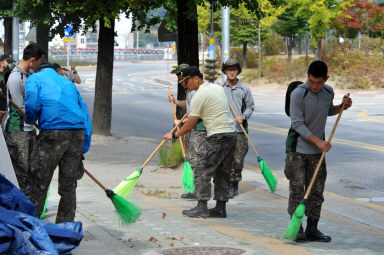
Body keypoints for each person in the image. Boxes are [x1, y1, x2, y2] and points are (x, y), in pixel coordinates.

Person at [284, 60, 352, 242]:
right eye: (312, 81)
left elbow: (327, 110)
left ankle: (312, 228)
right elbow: (297, 123)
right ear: (307, 76)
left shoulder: (328, 92)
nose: (315, 86)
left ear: (326, 79)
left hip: (317, 151)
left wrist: (342, 107)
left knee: (316, 190)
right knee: (298, 189)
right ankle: (296, 227)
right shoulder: (298, 93)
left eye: (319, 83)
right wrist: (318, 142)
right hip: (297, 149)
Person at [164, 66, 236, 218]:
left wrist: (175, 135)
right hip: (231, 134)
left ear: (196, 78)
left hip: (218, 136)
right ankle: (220, 208)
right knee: (222, 172)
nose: (184, 85)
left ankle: (202, 206)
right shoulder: (216, 88)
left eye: (186, 81)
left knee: (201, 167)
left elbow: (190, 123)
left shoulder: (199, 95)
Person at [24, 62, 91, 224]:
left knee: (38, 181)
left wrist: (30, 118)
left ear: (39, 69)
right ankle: (65, 228)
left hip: (53, 133)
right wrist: (83, 148)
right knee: (68, 185)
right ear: (56, 71)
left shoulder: (36, 78)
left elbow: (32, 105)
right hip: (77, 133)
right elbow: (85, 116)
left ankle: (31, 226)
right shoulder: (68, 83)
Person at [3, 43, 45, 193]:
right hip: (16, 131)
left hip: (28, 130)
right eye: (40, 61)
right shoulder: (15, 78)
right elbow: (22, 110)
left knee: (31, 170)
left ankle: (28, 205)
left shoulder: (29, 76)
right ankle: (21, 210)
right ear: (33, 60)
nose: (39, 65)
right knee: (21, 172)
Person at [169, 63, 208, 200]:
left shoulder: (197, 90)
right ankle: (197, 190)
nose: (180, 79)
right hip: (195, 128)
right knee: (194, 159)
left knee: (197, 160)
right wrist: (176, 102)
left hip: (201, 129)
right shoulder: (190, 91)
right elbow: (188, 105)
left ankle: (200, 192)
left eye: (181, 76)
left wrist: (181, 122)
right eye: (179, 76)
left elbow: (197, 114)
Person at [221, 59, 255, 198]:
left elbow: (251, 107)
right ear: (225, 71)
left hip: (240, 130)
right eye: (229, 69)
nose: (232, 71)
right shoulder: (220, 88)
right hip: (224, 129)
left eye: (234, 69)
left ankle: (235, 184)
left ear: (238, 71)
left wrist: (243, 116)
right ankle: (227, 186)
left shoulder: (244, 89)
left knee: (238, 160)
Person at [0, 54, 15, 122]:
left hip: (9, 108)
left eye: (11, 62)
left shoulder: (11, 74)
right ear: (1, 63)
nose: (10, 64)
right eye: (8, 62)